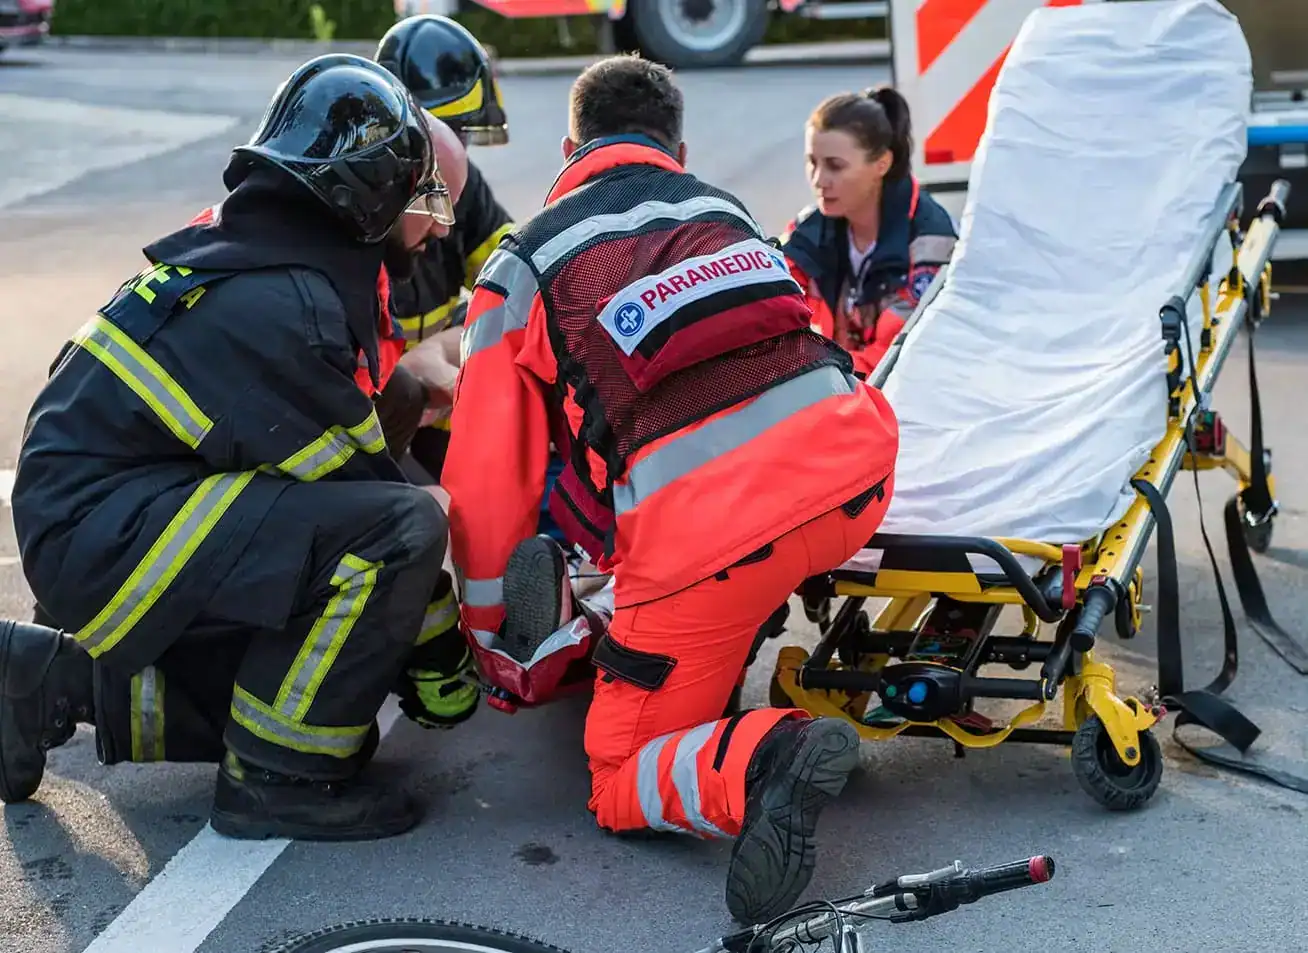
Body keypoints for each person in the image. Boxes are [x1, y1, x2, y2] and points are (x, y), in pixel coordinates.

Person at [441, 54, 901, 925]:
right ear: (677, 150)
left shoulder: (523, 263)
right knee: (666, 507)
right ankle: (695, 639)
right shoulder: (724, 211)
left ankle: (769, 756)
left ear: (569, 150)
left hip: (713, 548)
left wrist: (500, 650)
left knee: (617, 774)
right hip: (855, 479)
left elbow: (490, 481)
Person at [1, 53, 478, 842]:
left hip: (96, 523)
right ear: (371, 195)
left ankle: (44, 680)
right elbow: (379, 510)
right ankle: (275, 784)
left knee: (326, 700)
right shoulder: (286, 307)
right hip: (99, 534)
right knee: (403, 533)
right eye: (427, 201)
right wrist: (445, 665)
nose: (439, 230)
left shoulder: (255, 257)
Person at [373, 13, 517, 482]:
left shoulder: (466, 189)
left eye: (461, 138)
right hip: (371, 425)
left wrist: (447, 343)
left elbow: (519, 285)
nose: (442, 223)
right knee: (431, 512)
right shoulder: (360, 214)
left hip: (434, 408)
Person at [779, 87, 958, 378]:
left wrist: (810, 371)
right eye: (812, 162)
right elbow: (769, 303)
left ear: (882, 164)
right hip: (838, 382)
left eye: (835, 166)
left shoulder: (930, 241)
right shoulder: (809, 227)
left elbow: (894, 357)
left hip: (905, 388)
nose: (819, 180)